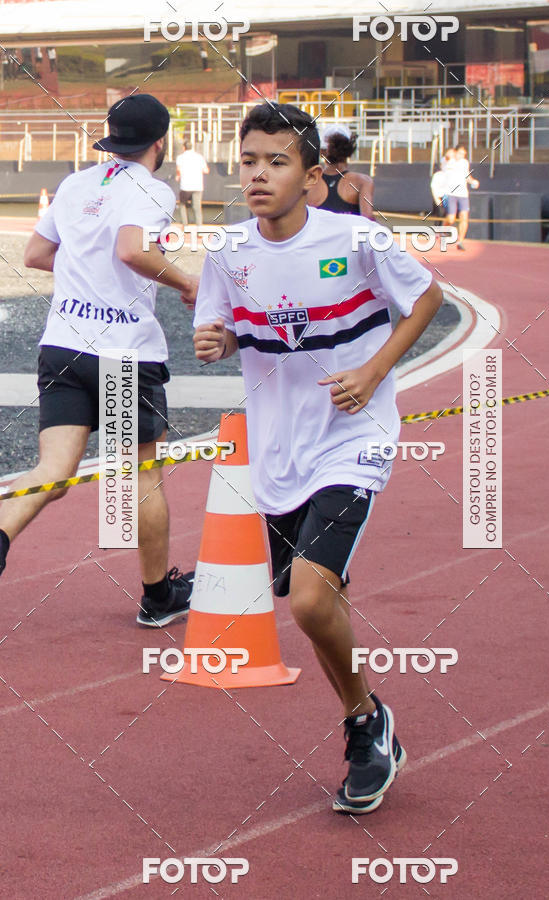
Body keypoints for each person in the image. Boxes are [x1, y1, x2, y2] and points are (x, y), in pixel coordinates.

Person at [193, 103, 442, 814]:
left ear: (310, 176)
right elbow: (223, 326)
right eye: (249, 161)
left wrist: (374, 372)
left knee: (307, 599)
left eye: (277, 162)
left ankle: (364, 721)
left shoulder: (356, 239)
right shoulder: (227, 250)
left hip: (352, 439)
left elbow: (427, 298)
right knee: (317, 598)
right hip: (277, 455)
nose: (259, 175)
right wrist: (220, 342)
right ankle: (368, 718)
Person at [0, 94, 198, 628]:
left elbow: (36, 255)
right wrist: (187, 283)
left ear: (110, 138)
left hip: (63, 345)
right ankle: (158, 598)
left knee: (53, 472)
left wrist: (84, 268)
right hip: (121, 354)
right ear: (160, 142)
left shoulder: (75, 184)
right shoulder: (153, 190)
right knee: (141, 472)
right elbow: (132, 251)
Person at [307, 124, 375, 219]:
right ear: (350, 151)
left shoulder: (309, 180)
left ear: (322, 151)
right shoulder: (363, 181)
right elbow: (367, 217)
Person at [444, 144, 479, 250]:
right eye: (460, 153)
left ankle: (460, 241)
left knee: (464, 217)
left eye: (464, 154)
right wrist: (452, 154)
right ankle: (443, 230)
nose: (462, 156)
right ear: (455, 152)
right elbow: (447, 155)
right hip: (451, 193)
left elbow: (467, 176)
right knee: (451, 218)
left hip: (463, 194)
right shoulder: (449, 161)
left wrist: (473, 181)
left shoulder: (465, 163)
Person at [176, 141, 210, 226]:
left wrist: (178, 176)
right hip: (198, 186)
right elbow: (206, 170)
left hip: (185, 186)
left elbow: (178, 170)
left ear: (184, 148)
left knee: (182, 205)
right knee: (197, 207)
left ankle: (185, 225)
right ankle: (199, 227)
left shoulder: (180, 157)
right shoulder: (199, 157)